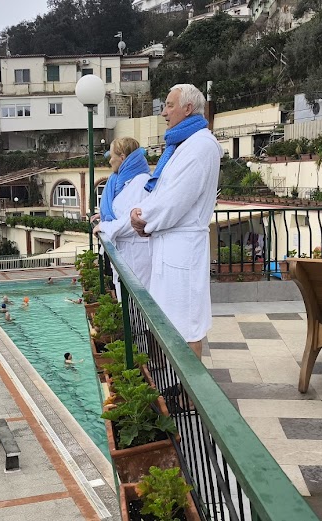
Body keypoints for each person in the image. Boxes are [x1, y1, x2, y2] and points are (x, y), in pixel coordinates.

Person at [129, 83, 222, 359]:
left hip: (183, 248)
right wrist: (143, 213)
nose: (164, 113)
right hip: (170, 245)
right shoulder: (182, 145)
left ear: (188, 108)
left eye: (169, 105)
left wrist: (143, 219)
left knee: (187, 326)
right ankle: (171, 380)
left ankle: (189, 386)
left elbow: (175, 200)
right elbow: (162, 191)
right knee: (170, 321)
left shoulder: (201, 146)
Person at [93, 137, 153, 301]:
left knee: (137, 302)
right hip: (125, 254)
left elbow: (132, 221)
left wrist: (104, 226)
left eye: (111, 156)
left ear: (122, 157)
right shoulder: (122, 181)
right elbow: (123, 209)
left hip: (136, 255)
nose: (109, 160)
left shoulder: (141, 181)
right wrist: (104, 216)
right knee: (126, 299)